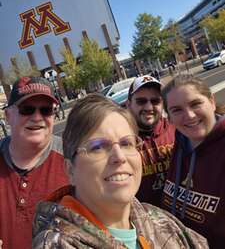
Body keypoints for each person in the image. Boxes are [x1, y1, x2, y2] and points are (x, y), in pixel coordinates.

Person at [32, 93, 208, 248]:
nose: (119, 157)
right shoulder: (57, 244)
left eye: (126, 143)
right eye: (98, 147)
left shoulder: (160, 221)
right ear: (70, 170)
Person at [0, 76, 69, 249]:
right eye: (27, 109)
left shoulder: (73, 161)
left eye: (46, 110)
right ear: (8, 115)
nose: (37, 117)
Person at [161, 74, 225, 248]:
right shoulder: (181, 143)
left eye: (195, 104)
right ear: (169, 118)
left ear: (212, 102)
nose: (189, 115)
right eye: (177, 110)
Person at [127, 75, 175, 206]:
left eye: (155, 101)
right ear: (128, 104)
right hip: (145, 219)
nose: (149, 107)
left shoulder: (178, 130)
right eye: (141, 101)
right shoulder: (120, 140)